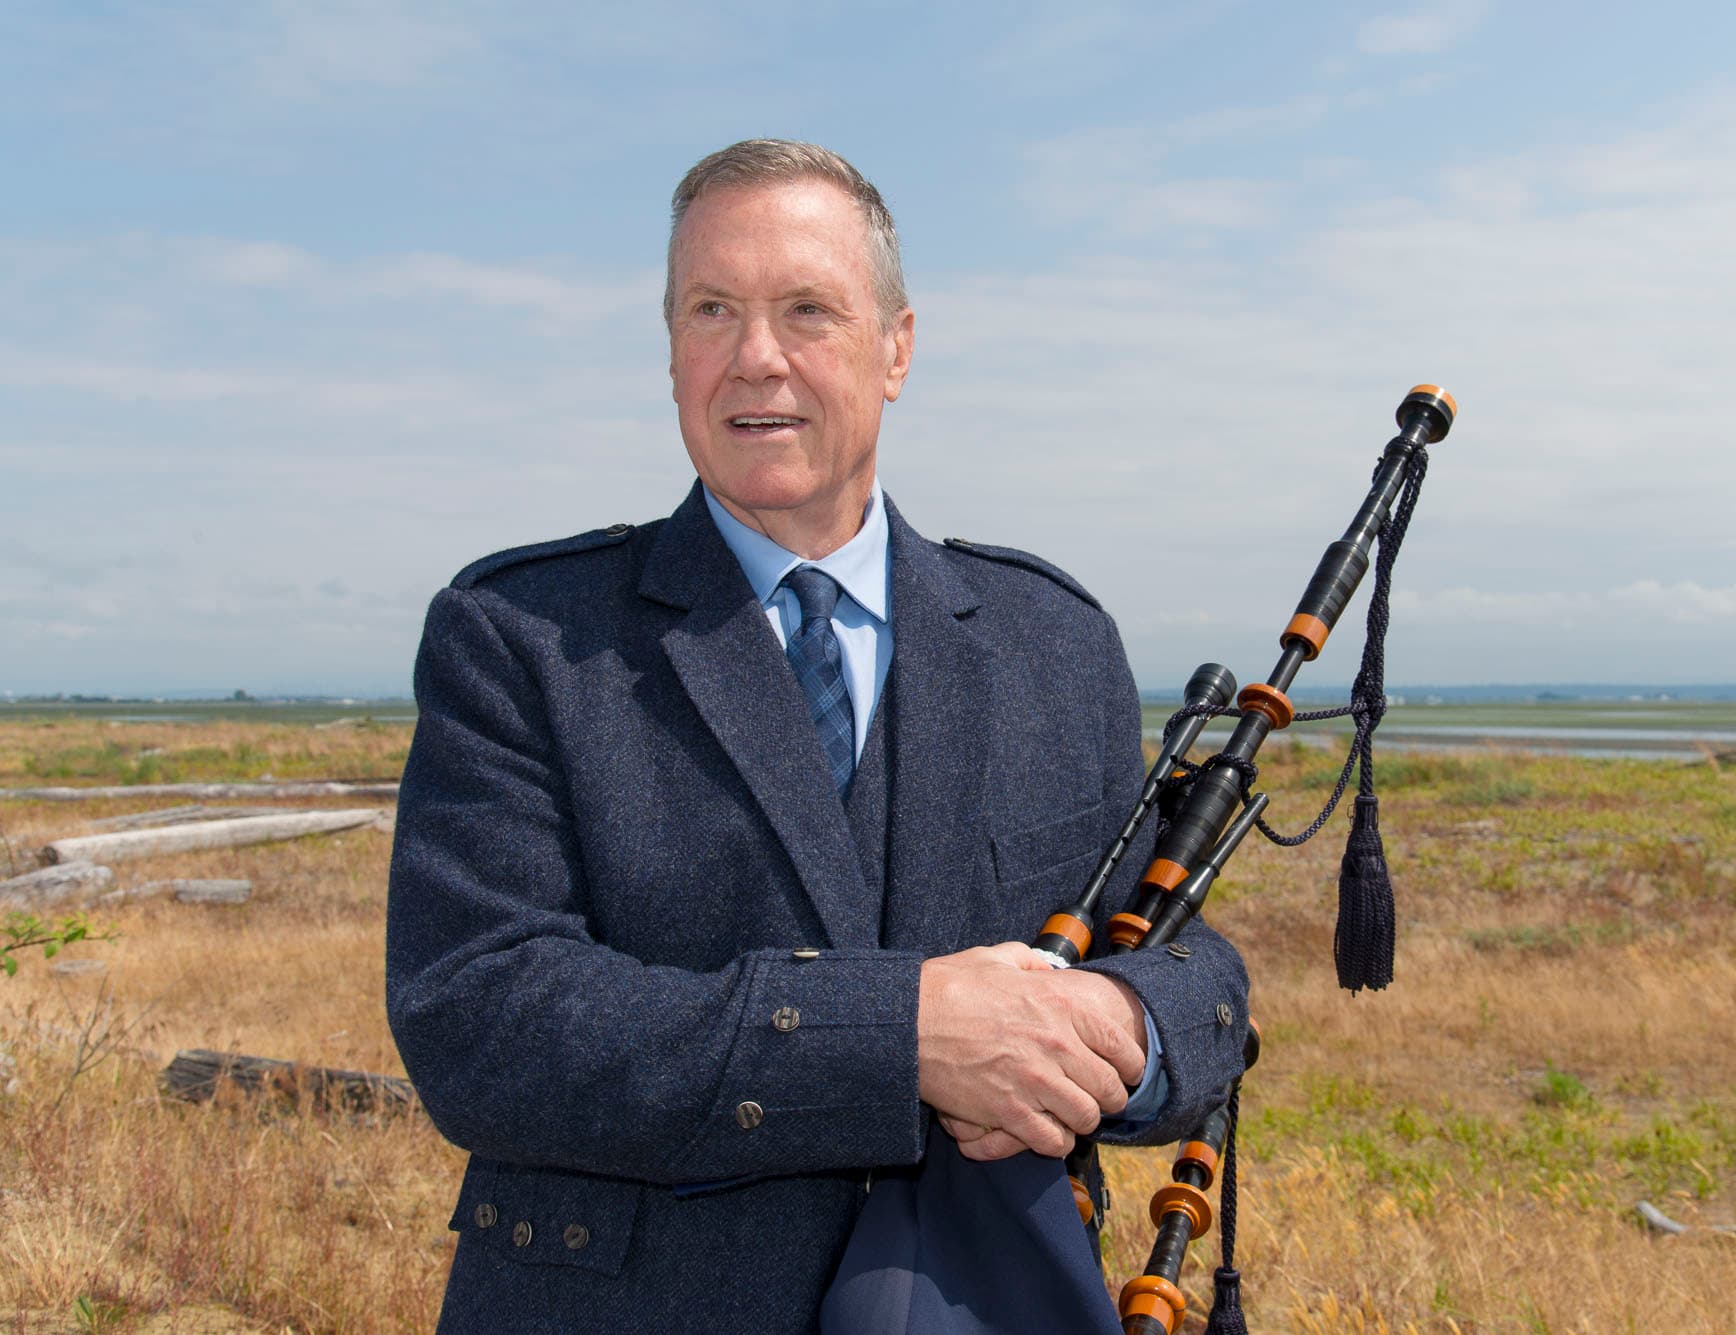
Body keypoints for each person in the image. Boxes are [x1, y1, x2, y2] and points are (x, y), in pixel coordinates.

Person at [385, 139, 1250, 1335]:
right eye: (711, 310)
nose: (755, 357)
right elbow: (481, 1021)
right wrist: (904, 1039)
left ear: (896, 349)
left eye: (806, 310)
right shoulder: (524, 634)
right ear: (671, 347)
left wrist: (1122, 1027)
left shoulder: (1052, 640)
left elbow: (1193, 967)